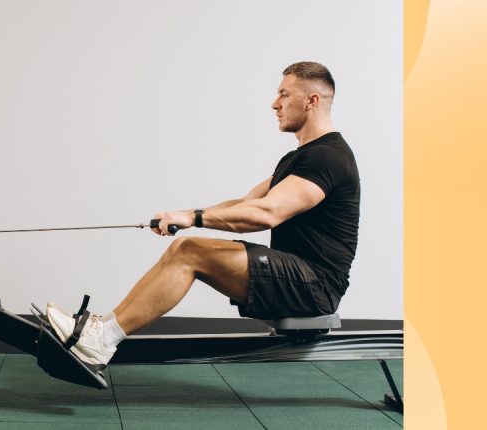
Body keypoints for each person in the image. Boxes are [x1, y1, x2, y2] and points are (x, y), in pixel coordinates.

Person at [46, 61, 360, 370]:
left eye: (284, 94)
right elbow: (245, 202)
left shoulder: (328, 158)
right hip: (295, 275)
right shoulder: (299, 158)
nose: (274, 103)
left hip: (314, 286)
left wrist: (193, 218)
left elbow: (267, 213)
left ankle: (103, 339)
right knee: (184, 249)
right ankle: (100, 330)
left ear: (312, 101)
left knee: (190, 252)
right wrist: (179, 215)